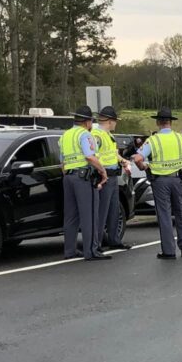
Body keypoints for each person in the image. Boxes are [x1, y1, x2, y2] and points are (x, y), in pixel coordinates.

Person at [132, 108, 182, 260]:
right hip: (178, 179)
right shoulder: (181, 138)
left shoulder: (153, 140)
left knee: (164, 215)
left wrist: (144, 167)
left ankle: (169, 251)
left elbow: (138, 159)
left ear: (158, 122)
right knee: (180, 213)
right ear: (171, 122)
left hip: (160, 181)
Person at [60, 106, 109, 261]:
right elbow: (90, 156)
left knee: (71, 216)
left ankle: (70, 250)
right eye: (91, 121)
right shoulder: (84, 135)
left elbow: (62, 162)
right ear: (87, 122)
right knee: (89, 215)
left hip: (68, 177)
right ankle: (91, 251)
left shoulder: (65, 135)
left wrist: (68, 174)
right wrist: (102, 171)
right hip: (83, 178)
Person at [93, 106, 133, 253]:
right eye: (115, 121)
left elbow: (112, 154)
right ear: (110, 121)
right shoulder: (96, 134)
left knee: (114, 210)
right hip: (103, 176)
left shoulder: (108, 135)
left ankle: (114, 240)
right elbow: (93, 155)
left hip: (113, 176)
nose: (116, 124)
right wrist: (101, 173)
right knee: (102, 211)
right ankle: (96, 244)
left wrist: (123, 161)